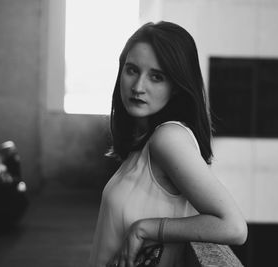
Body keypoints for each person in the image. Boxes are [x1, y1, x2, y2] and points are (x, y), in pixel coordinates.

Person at [88, 21, 247, 267]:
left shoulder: (168, 139)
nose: (138, 87)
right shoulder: (145, 142)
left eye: (156, 77)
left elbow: (234, 227)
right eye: (132, 70)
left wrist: (146, 229)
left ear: (175, 87)